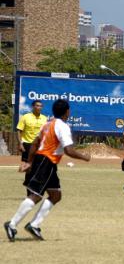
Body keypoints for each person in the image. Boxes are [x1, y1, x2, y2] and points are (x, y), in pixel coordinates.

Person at [4, 99, 91, 241]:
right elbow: (69, 150)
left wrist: (30, 161)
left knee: (56, 195)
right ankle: (12, 224)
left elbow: (35, 143)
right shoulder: (62, 126)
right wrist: (84, 157)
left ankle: (34, 225)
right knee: (36, 195)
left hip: (45, 161)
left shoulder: (47, 124)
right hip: (47, 161)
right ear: (67, 112)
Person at [16, 100, 47, 174]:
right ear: (33, 107)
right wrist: (20, 144)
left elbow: (45, 132)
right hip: (27, 143)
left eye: (40, 106)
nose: (39, 107)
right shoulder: (25, 117)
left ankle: (34, 178)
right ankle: (28, 178)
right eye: (37, 105)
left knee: (39, 163)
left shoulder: (44, 118)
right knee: (26, 164)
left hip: (39, 144)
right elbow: (19, 131)